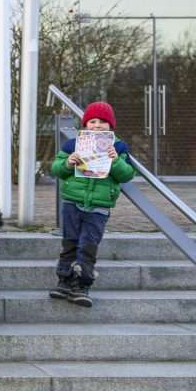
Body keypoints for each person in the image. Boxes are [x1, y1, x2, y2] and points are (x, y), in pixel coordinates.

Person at [49, 102, 135, 308]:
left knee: (88, 246)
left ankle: (83, 285)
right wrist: (68, 162)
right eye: (92, 121)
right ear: (85, 124)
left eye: (102, 122)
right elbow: (56, 169)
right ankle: (64, 280)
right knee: (69, 242)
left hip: (99, 207)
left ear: (111, 126)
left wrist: (115, 160)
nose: (97, 126)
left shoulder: (119, 147)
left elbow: (127, 174)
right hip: (72, 202)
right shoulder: (73, 144)